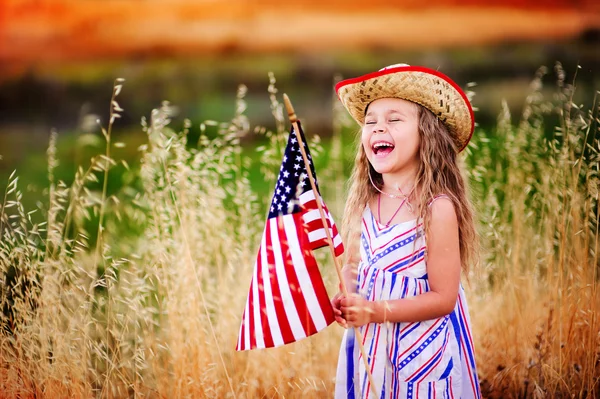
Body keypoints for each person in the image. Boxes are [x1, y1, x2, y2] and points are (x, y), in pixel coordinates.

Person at [332, 64, 481, 398]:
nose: (378, 128)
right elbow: (353, 265)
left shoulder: (437, 208)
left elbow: (443, 299)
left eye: (394, 120)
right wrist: (346, 294)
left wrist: (373, 311)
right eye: (370, 122)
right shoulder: (363, 202)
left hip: (421, 352)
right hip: (370, 347)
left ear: (426, 133)